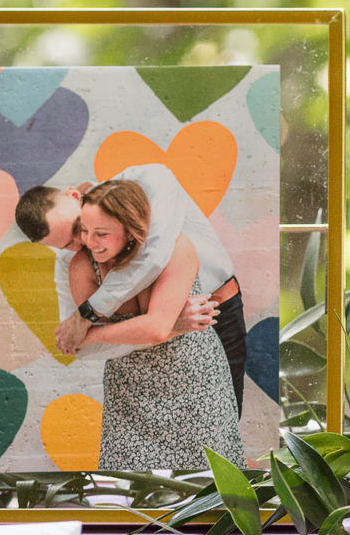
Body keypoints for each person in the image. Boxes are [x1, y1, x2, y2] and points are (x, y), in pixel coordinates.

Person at [13, 163, 249, 414]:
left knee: (222, 435)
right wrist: (166, 326)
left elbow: (153, 256)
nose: (84, 242)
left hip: (216, 312)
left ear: (74, 195)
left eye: (76, 228)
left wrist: (88, 315)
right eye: (67, 244)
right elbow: (80, 345)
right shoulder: (71, 264)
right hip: (143, 370)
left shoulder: (149, 181)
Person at [66, 180, 244, 471]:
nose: (89, 241)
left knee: (207, 482)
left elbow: (153, 329)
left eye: (101, 233)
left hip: (194, 382)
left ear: (129, 227)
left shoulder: (178, 248)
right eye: (85, 230)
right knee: (130, 486)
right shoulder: (83, 266)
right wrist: (177, 323)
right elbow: (85, 343)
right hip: (128, 390)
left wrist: (90, 335)